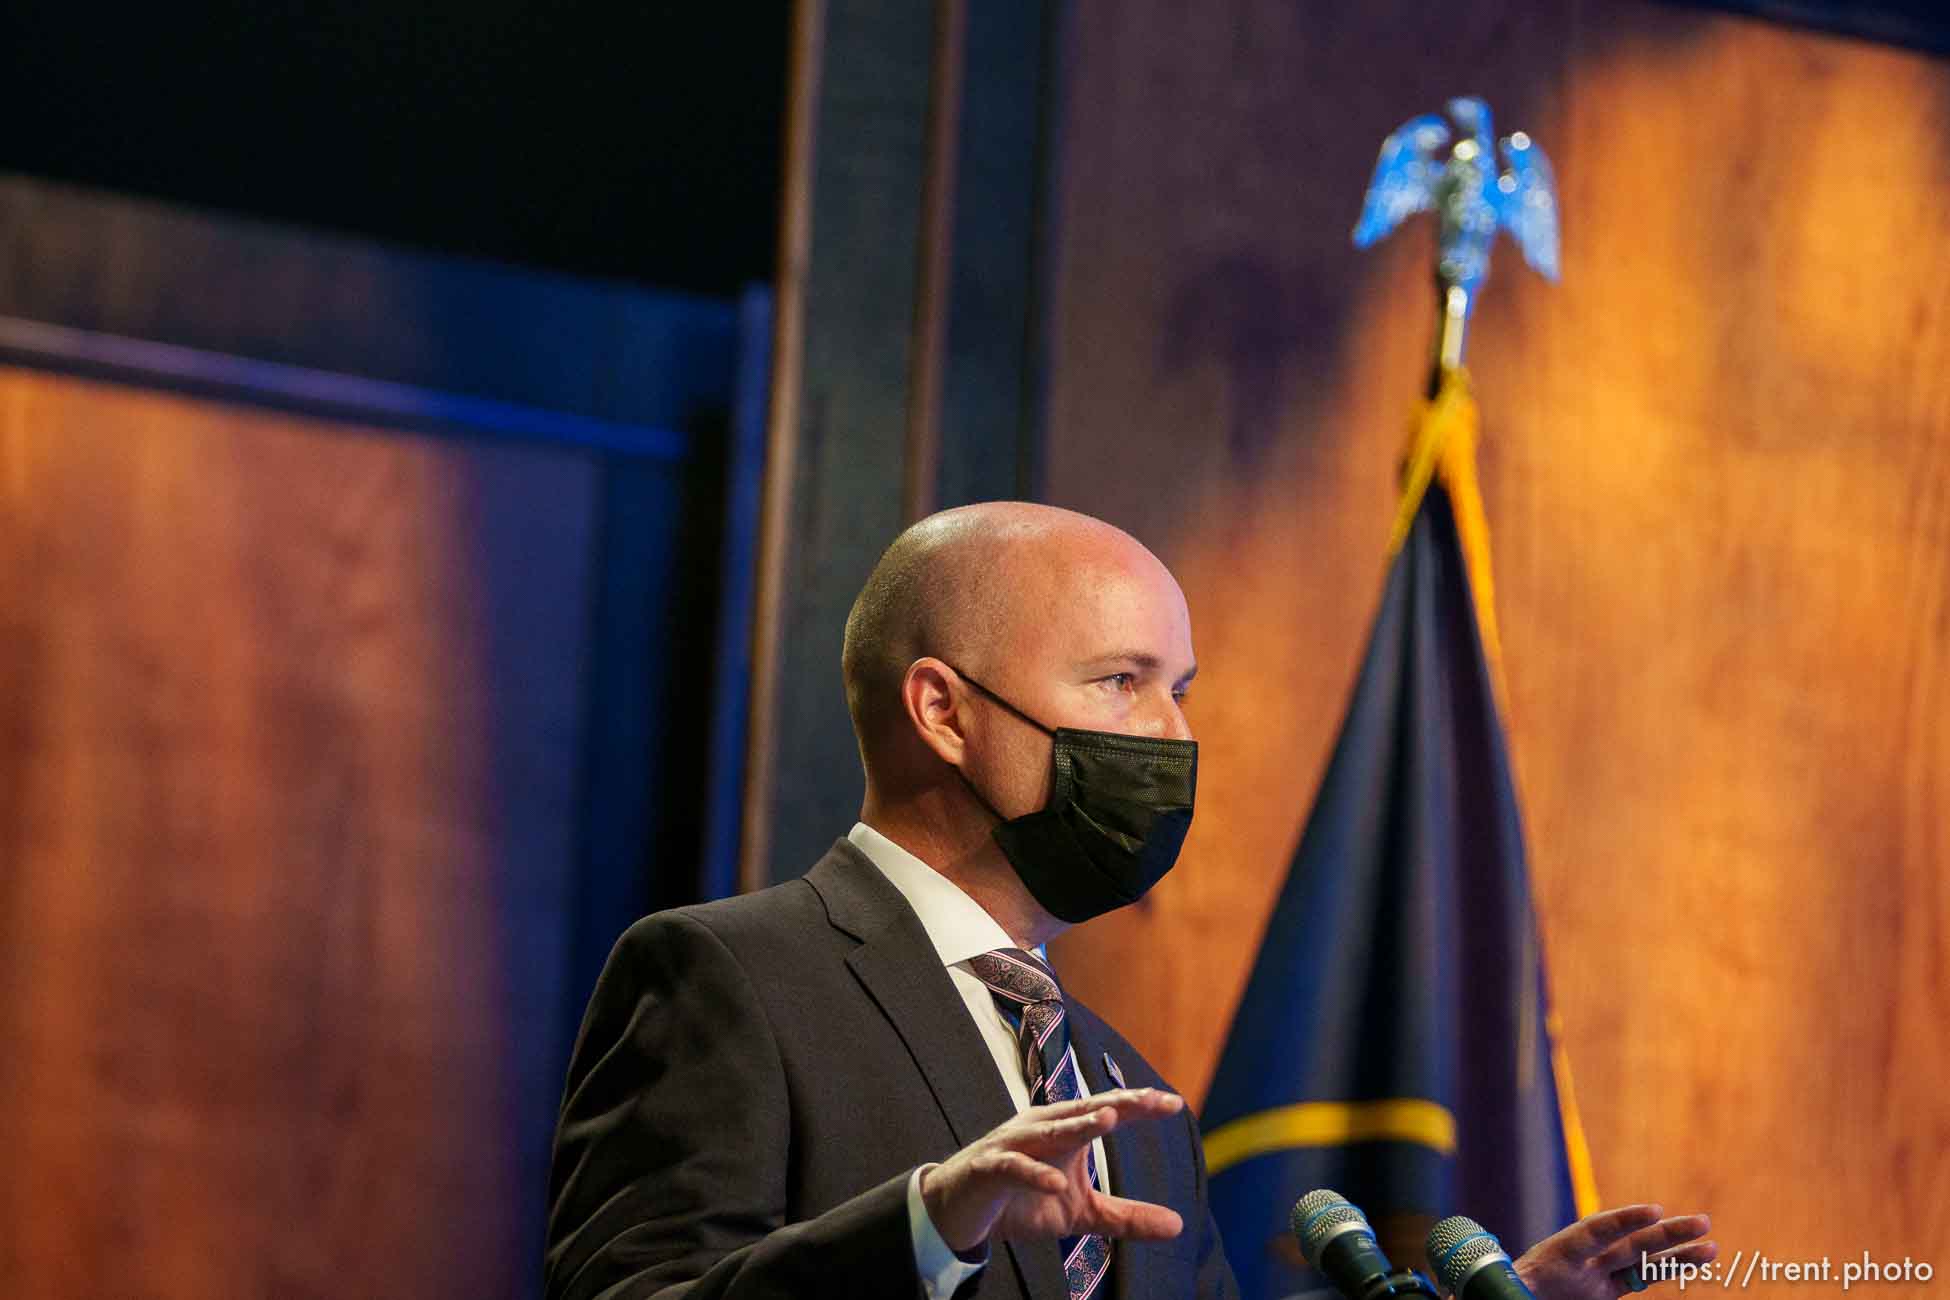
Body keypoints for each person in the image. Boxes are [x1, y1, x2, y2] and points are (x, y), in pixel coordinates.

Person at [544, 502, 1716, 1300]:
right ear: (943, 711)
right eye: (1121, 682)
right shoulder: (728, 975)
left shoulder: (1123, 1094)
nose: (1175, 737)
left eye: (1182, 691)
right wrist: (926, 1220)